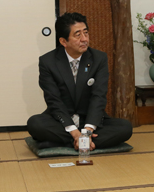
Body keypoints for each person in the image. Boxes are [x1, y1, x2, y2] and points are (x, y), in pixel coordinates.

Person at [27, 12, 132, 150]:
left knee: (125, 128)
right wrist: (75, 132)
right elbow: (54, 100)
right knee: (35, 124)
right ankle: (81, 142)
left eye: (86, 33)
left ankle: (65, 142)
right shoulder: (48, 62)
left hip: (89, 120)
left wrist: (87, 131)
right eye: (78, 35)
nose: (84, 39)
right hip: (62, 121)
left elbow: (98, 97)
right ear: (63, 41)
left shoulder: (99, 58)